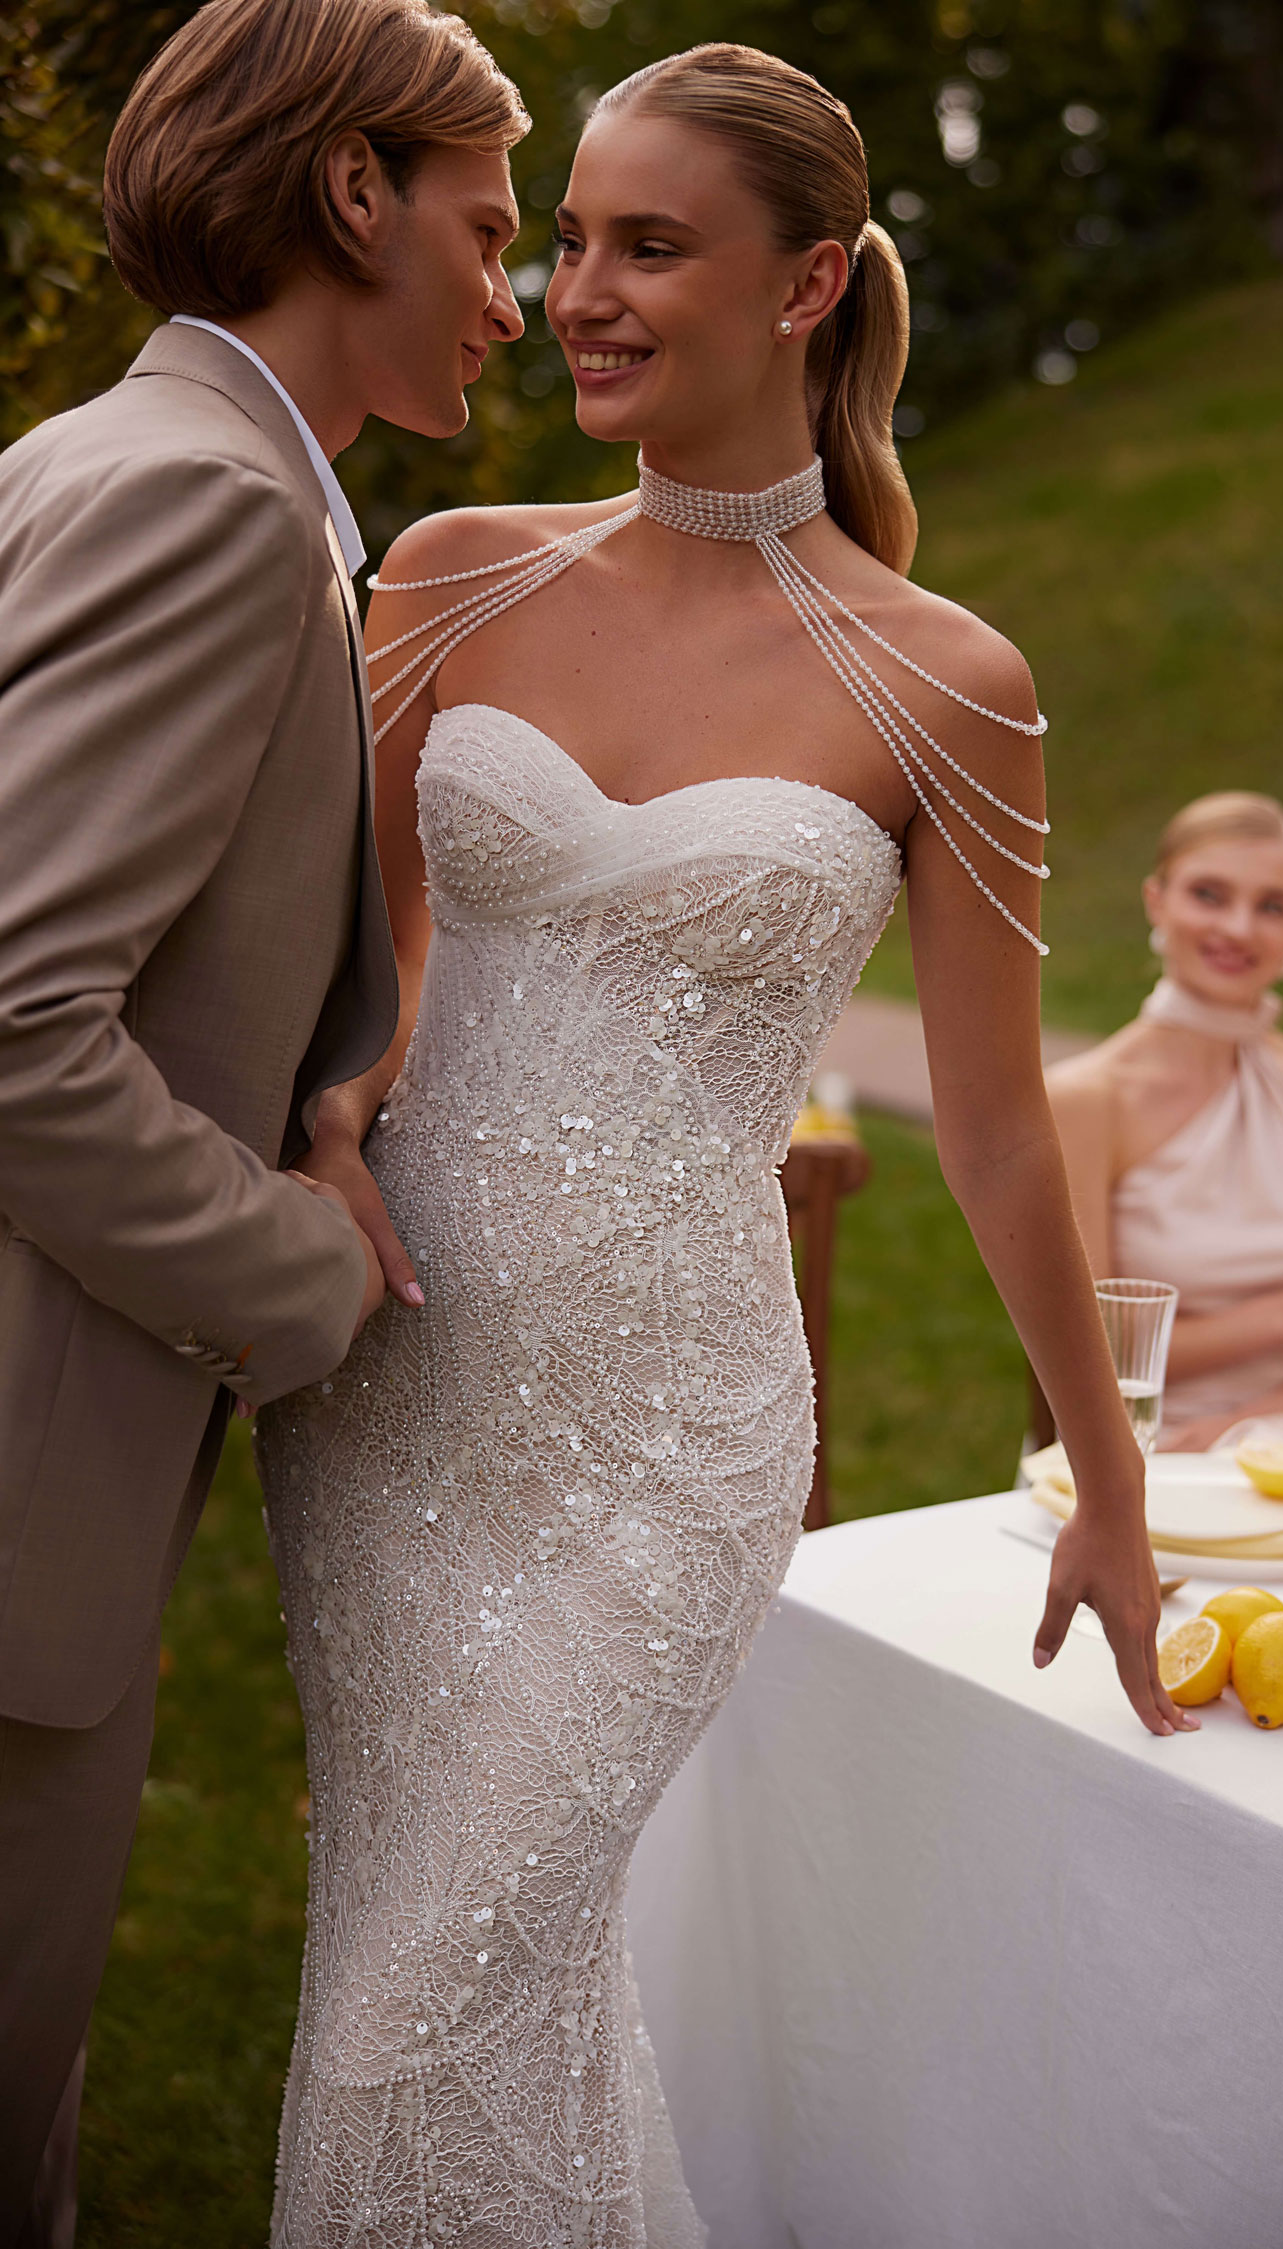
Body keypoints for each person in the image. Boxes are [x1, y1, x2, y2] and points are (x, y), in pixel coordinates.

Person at [255, 42, 1195, 2244]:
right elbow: (359, 980)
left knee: (423, 2000)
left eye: (647, 246)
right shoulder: (455, 577)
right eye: (567, 235)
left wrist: (1112, 1479)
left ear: (806, 289)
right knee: (465, 1979)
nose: (574, 289)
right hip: (394, 1410)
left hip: (670, 1440)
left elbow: (987, 1120)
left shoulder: (946, 681)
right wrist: (325, 1113)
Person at [0, 1, 527, 2236]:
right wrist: (308, 1265)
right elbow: (19, 1018)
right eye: (491, 229)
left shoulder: (83, 458)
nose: (517, 295)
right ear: (352, 194)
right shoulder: (213, 513)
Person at [1047, 792, 1283, 1450]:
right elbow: (1093, 1352)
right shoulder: (1088, 1100)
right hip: (1144, 1446)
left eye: (1271, 906)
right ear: (1157, 900)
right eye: (1209, 894)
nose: (1238, 928)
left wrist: (1247, 1428)